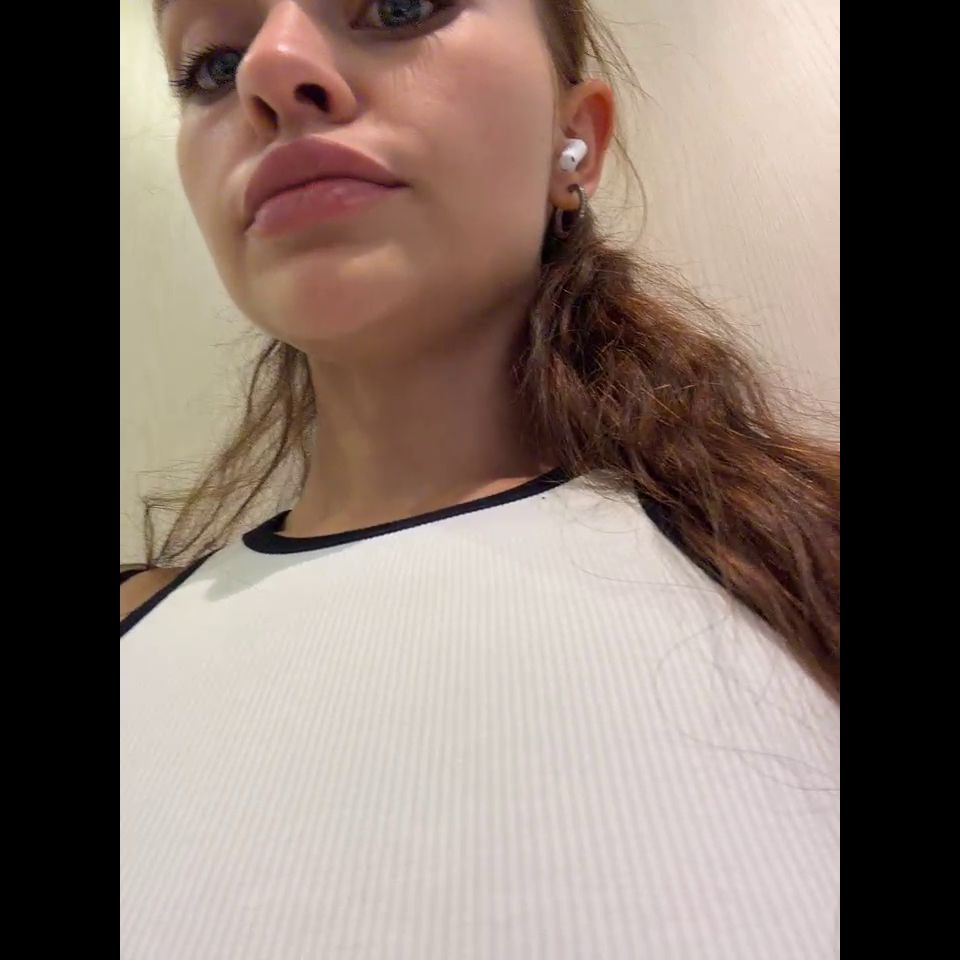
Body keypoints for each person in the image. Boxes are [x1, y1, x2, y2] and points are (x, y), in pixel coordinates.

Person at [121, 1, 840, 957]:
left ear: (574, 141)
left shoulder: (809, 554)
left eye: (399, 5)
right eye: (214, 64)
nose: (271, 70)